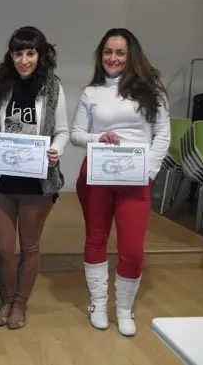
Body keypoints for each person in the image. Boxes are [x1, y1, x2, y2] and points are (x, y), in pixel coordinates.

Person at [71, 28, 170, 337]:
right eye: (107, 52)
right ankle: (98, 303)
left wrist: (149, 172)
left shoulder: (152, 90)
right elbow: (76, 134)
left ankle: (124, 309)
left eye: (120, 53)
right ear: (101, 57)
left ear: (131, 56)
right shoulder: (92, 92)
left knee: (132, 250)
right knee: (96, 239)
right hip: (96, 176)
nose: (113, 58)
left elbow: (162, 134)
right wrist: (98, 137)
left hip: (135, 180)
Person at [0, 26, 69, 329]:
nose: (24, 59)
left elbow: (63, 131)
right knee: (4, 248)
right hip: (1, 181)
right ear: (12, 55)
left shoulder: (53, 87)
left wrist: (55, 150)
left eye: (30, 53)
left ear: (40, 55)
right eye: (18, 53)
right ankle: (5, 300)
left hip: (37, 182)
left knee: (29, 248)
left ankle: (20, 303)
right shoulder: (1, 85)